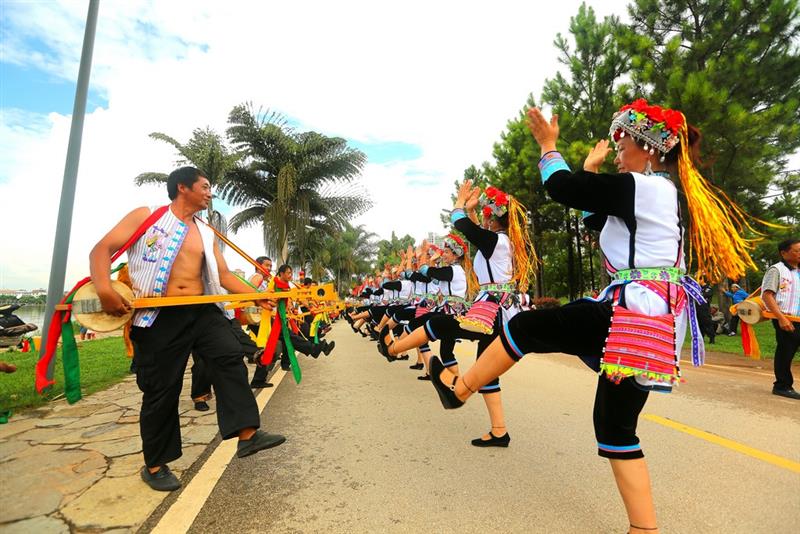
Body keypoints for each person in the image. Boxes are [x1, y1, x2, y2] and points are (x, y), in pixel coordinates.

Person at [425, 100, 759, 533]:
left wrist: (548, 146)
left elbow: (563, 188)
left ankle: (460, 390)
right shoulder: (653, 194)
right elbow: (596, 221)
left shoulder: (650, 187)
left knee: (524, 328)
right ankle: (644, 529)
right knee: (615, 428)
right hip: (651, 323)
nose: (618, 153)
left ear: (650, 147)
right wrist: (591, 169)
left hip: (632, 312)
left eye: (622, 144)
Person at [89, 166, 286, 492]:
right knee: (161, 390)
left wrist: (259, 295)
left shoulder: (207, 232)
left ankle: (247, 435)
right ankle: (155, 464)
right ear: (183, 187)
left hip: (203, 311)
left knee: (229, 356)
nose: (210, 193)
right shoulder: (147, 216)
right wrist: (104, 288)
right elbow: (101, 250)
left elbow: (223, 276)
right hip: (158, 317)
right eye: (206, 186)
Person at [761, 238, 800, 400]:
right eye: (797, 251)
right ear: (784, 253)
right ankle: (782, 385)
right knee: (786, 350)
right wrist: (781, 318)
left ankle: (783, 384)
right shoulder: (776, 270)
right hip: (785, 318)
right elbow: (767, 295)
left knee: (788, 349)